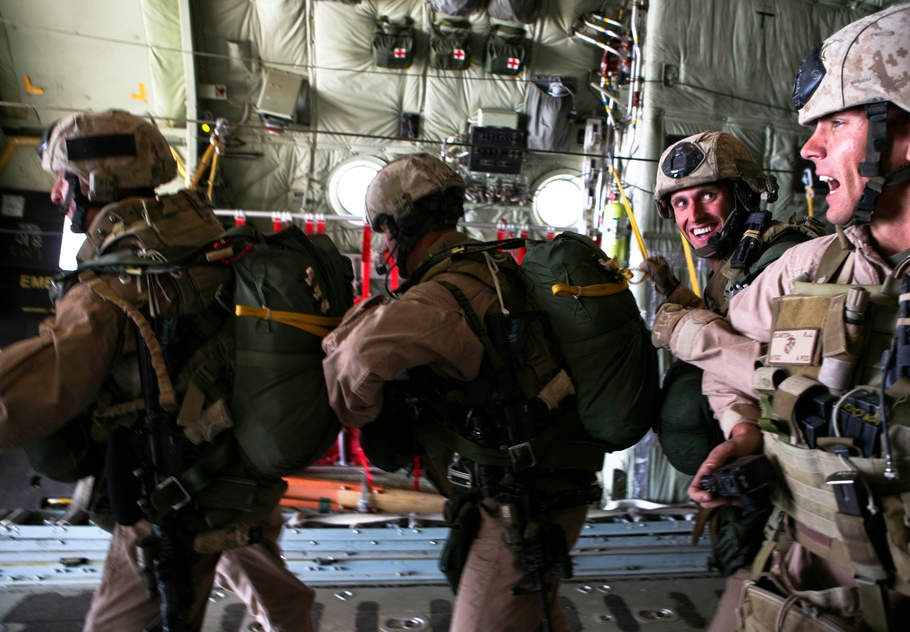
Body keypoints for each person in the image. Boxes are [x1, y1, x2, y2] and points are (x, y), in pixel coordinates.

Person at [655, 3, 910, 630]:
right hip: (798, 581)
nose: (809, 149)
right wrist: (744, 432)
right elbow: (728, 368)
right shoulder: (809, 267)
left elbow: (716, 348)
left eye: (835, 124)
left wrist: (694, 336)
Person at [0, 109, 315, 631]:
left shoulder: (115, 281)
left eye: (64, 181)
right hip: (242, 479)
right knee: (270, 587)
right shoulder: (206, 236)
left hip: (174, 497)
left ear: (96, 182)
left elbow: (35, 388)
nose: (57, 195)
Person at [322, 153, 603, 632]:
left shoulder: (439, 298)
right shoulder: (493, 269)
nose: (386, 245)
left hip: (522, 502)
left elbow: (351, 378)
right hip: (552, 485)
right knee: (536, 616)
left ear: (401, 225)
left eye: (386, 231)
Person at [638, 131, 823, 574]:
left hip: (808, 491)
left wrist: (689, 332)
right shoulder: (738, 265)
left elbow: (799, 384)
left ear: (743, 195)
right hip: (758, 467)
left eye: (707, 196)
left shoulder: (792, 262)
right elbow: (733, 327)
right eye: (680, 203)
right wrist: (676, 293)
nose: (693, 215)